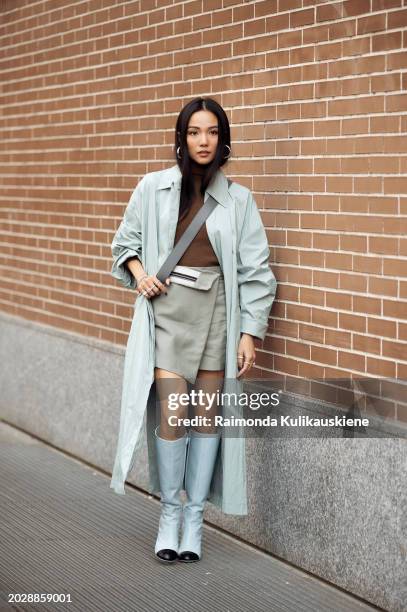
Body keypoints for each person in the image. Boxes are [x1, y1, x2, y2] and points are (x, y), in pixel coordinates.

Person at [109, 96, 277, 564]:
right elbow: (124, 243)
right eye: (194, 132)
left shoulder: (238, 199)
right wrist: (141, 273)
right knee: (173, 416)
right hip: (167, 314)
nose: (203, 141)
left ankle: (195, 520)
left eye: (212, 133)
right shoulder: (153, 188)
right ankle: (169, 514)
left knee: (206, 419)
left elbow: (256, 272)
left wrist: (249, 332)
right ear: (181, 138)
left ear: (223, 140)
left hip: (219, 316)